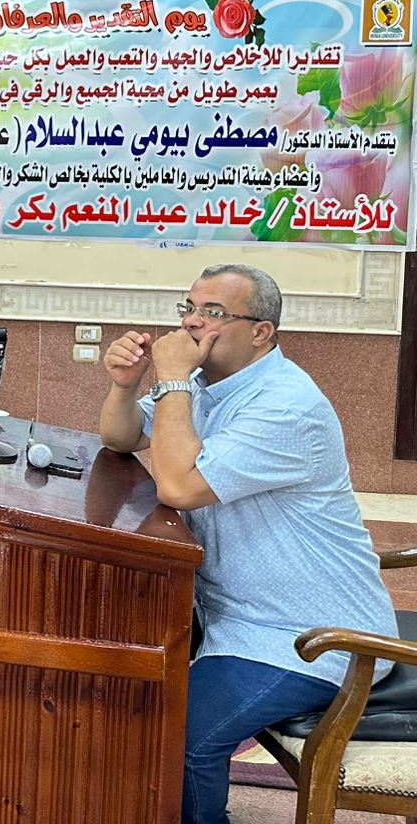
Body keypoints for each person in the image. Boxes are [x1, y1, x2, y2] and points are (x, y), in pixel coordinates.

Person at [98, 263, 395, 824]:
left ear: (261, 331)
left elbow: (178, 485)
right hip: (237, 617)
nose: (192, 323)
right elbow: (120, 437)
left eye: (213, 312)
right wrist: (125, 383)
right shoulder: (208, 386)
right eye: (189, 307)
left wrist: (173, 380)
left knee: (181, 737)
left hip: (308, 636)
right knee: (127, 680)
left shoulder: (286, 405)